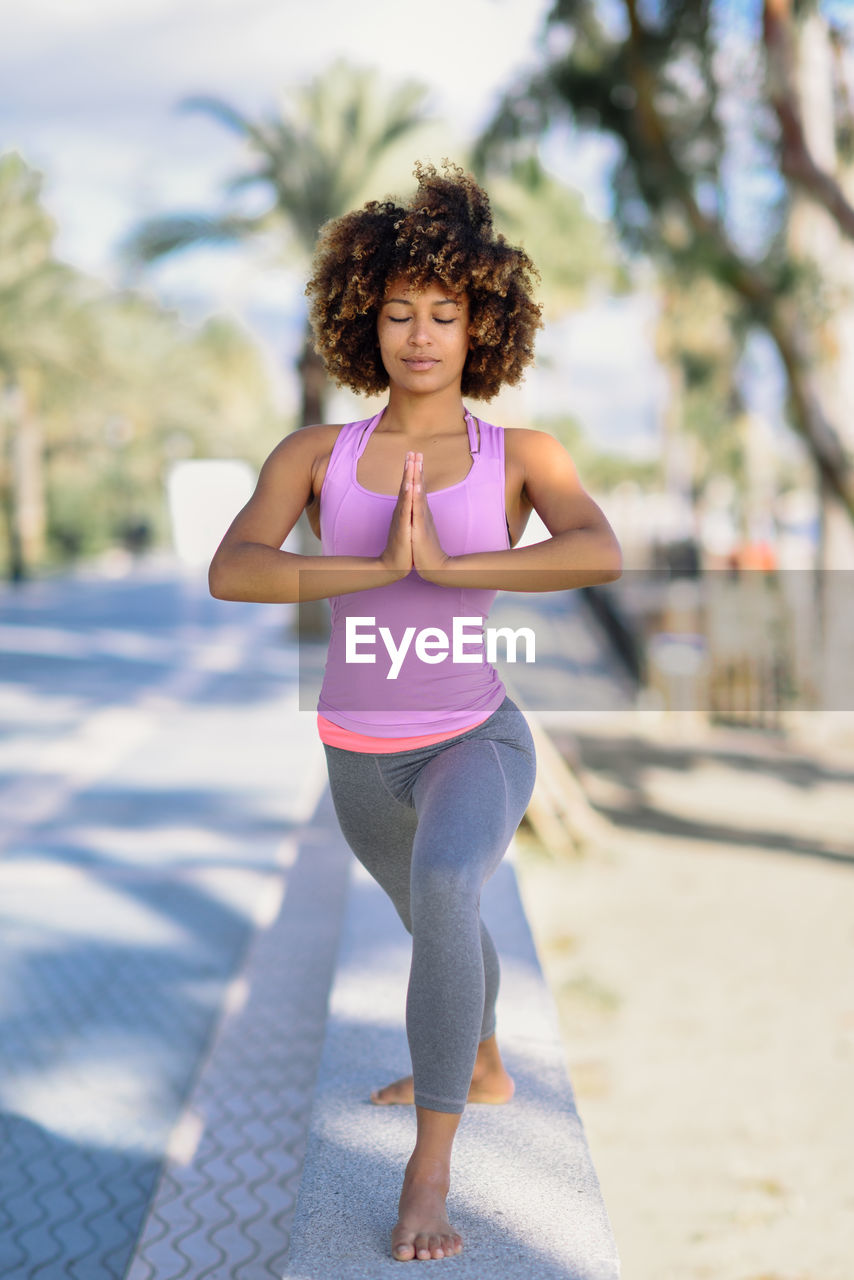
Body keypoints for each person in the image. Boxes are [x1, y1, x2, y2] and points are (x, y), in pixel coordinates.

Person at [209, 161, 622, 1263]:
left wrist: (450, 560)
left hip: (472, 736)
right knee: (437, 919)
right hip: (356, 761)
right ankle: (479, 1059)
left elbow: (597, 547)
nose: (421, 334)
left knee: (447, 883)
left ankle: (427, 1170)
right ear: (364, 319)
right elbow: (232, 568)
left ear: (483, 323)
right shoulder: (316, 454)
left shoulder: (519, 455)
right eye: (398, 311)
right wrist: (370, 567)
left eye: (446, 312)